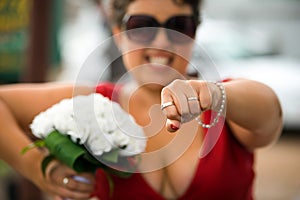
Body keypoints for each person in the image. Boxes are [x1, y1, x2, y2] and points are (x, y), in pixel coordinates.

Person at [0, 0, 283, 199]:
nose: (162, 40)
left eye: (179, 24)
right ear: (118, 34)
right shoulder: (91, 102)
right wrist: (40, 169)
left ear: (195, 33)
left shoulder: (226, 104)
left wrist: (213, 94)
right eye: (142, 24)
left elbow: (270, 113)